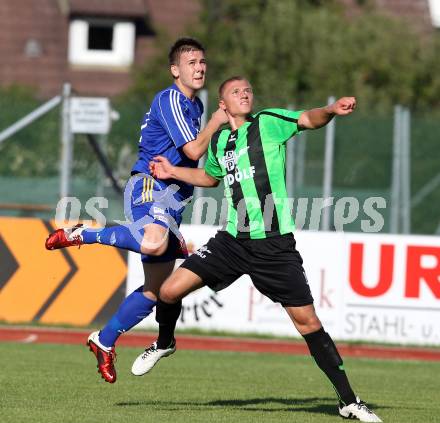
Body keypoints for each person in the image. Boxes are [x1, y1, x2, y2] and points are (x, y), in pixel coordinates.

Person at [148, 76, 382, 422]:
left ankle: (348, 400)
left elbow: (307, 118)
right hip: (232, 241)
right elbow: (211, 178)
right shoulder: (219, 142)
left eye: (248, 90)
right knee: (168, 291)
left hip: (274, 246)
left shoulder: (268, 123)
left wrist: (330, 110)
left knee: (308, 323)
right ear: (222, 105)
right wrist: (173, 171)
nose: (244, 95)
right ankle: (165, 342)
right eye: (235, 92)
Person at [45, 38, 228, 383]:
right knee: (155, 243)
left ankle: (104, 339)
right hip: (149, 184)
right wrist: (219, 120)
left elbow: (193, 158)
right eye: (191, 63)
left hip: (173, 199)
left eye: (203, 62)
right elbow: (192, 148)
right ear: (175, 70)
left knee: (156, 291)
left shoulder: (195, 105)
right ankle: (85, 233)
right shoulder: (172, 98)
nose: (200, 67)